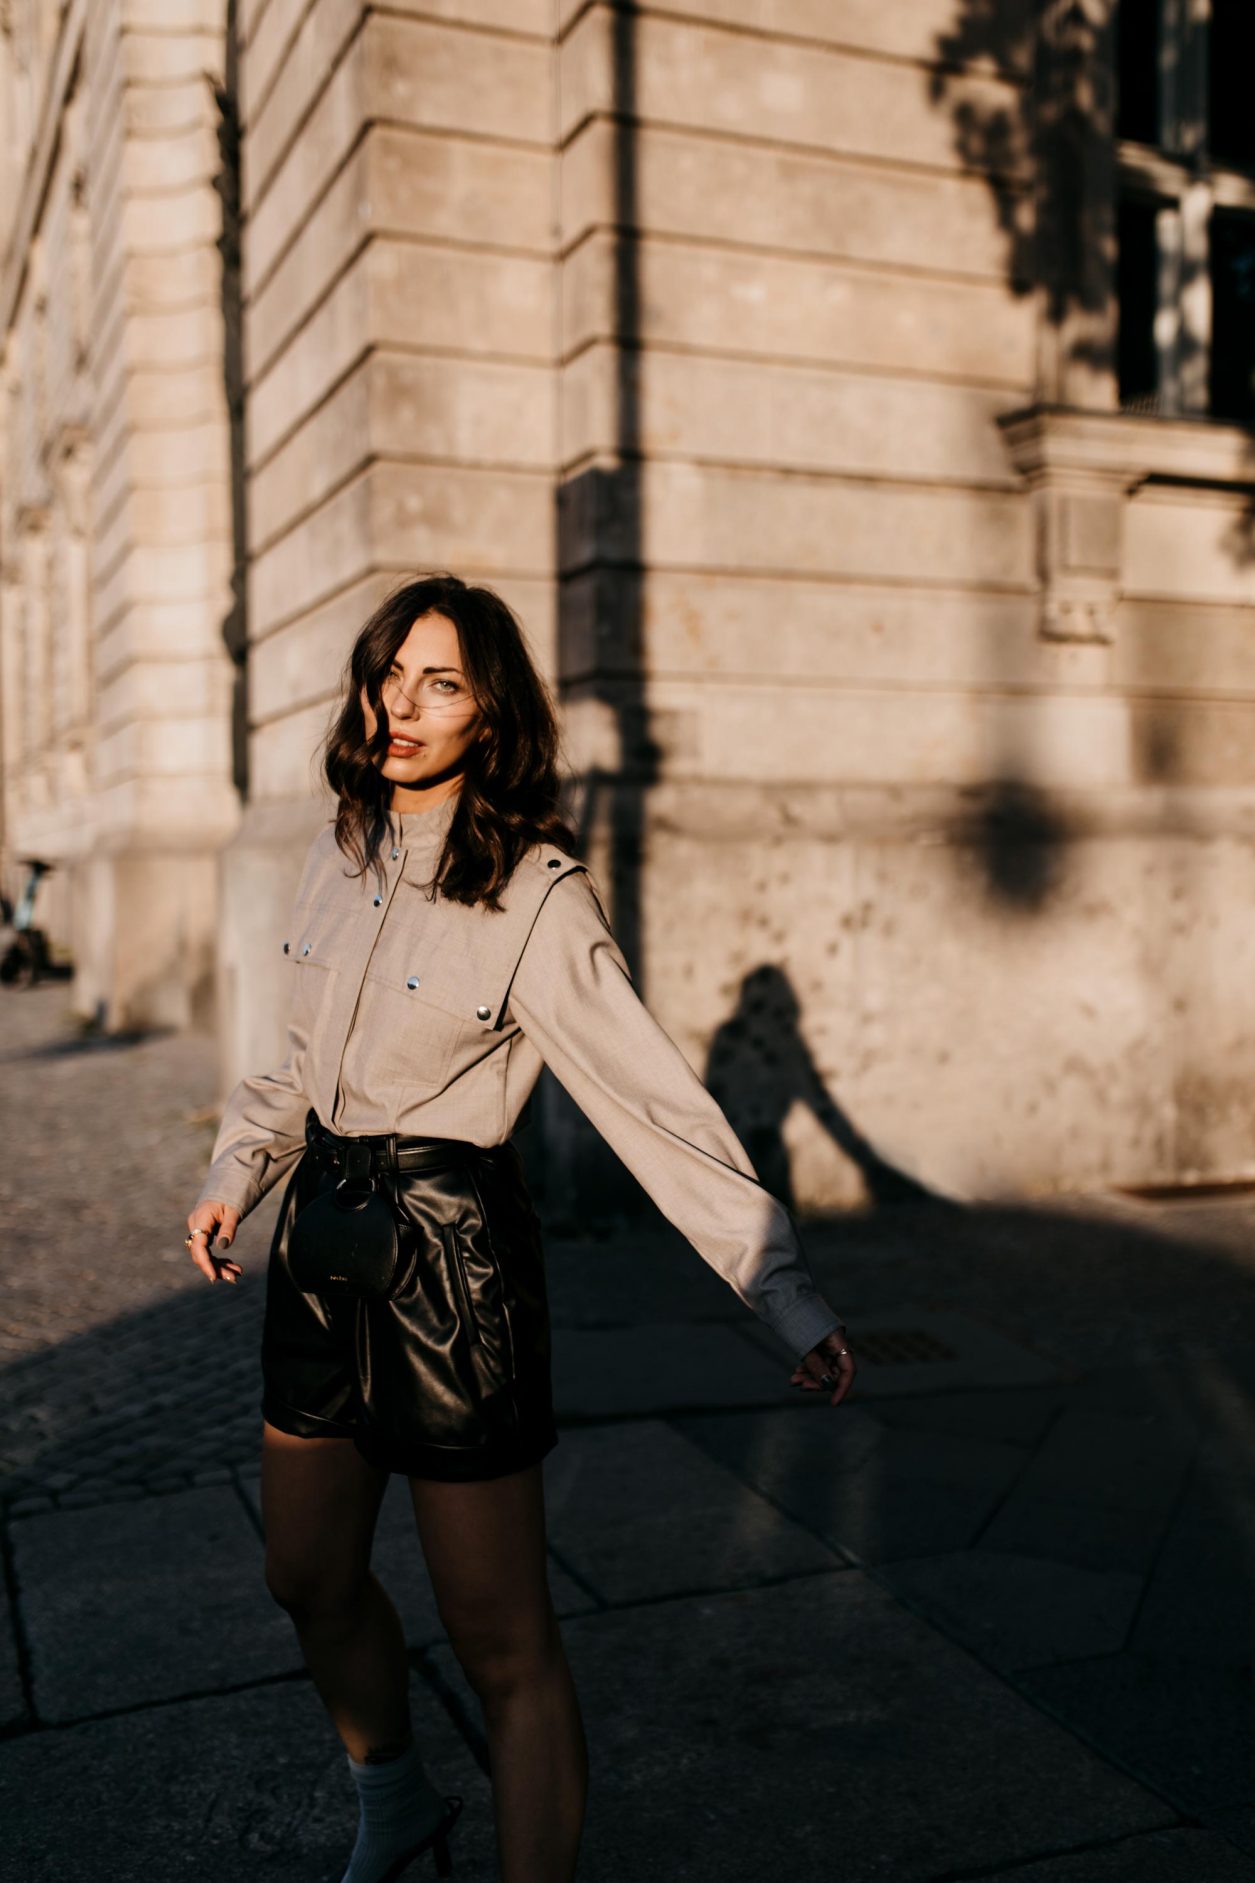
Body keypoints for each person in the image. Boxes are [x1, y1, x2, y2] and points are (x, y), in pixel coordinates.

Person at [186, 573, 855, 1883]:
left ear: (492, 713)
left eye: (441, 684)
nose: (404, 706)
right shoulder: (343, 848)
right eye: (390, 675)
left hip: (453, 1265)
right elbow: (290, 1063)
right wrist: (236, 1169)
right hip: (321, 1244)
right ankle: (396, 1797)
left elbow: (654, 1104)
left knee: (504, 1642)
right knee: (303, 1573)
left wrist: (785, 1291)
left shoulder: (537, 892)